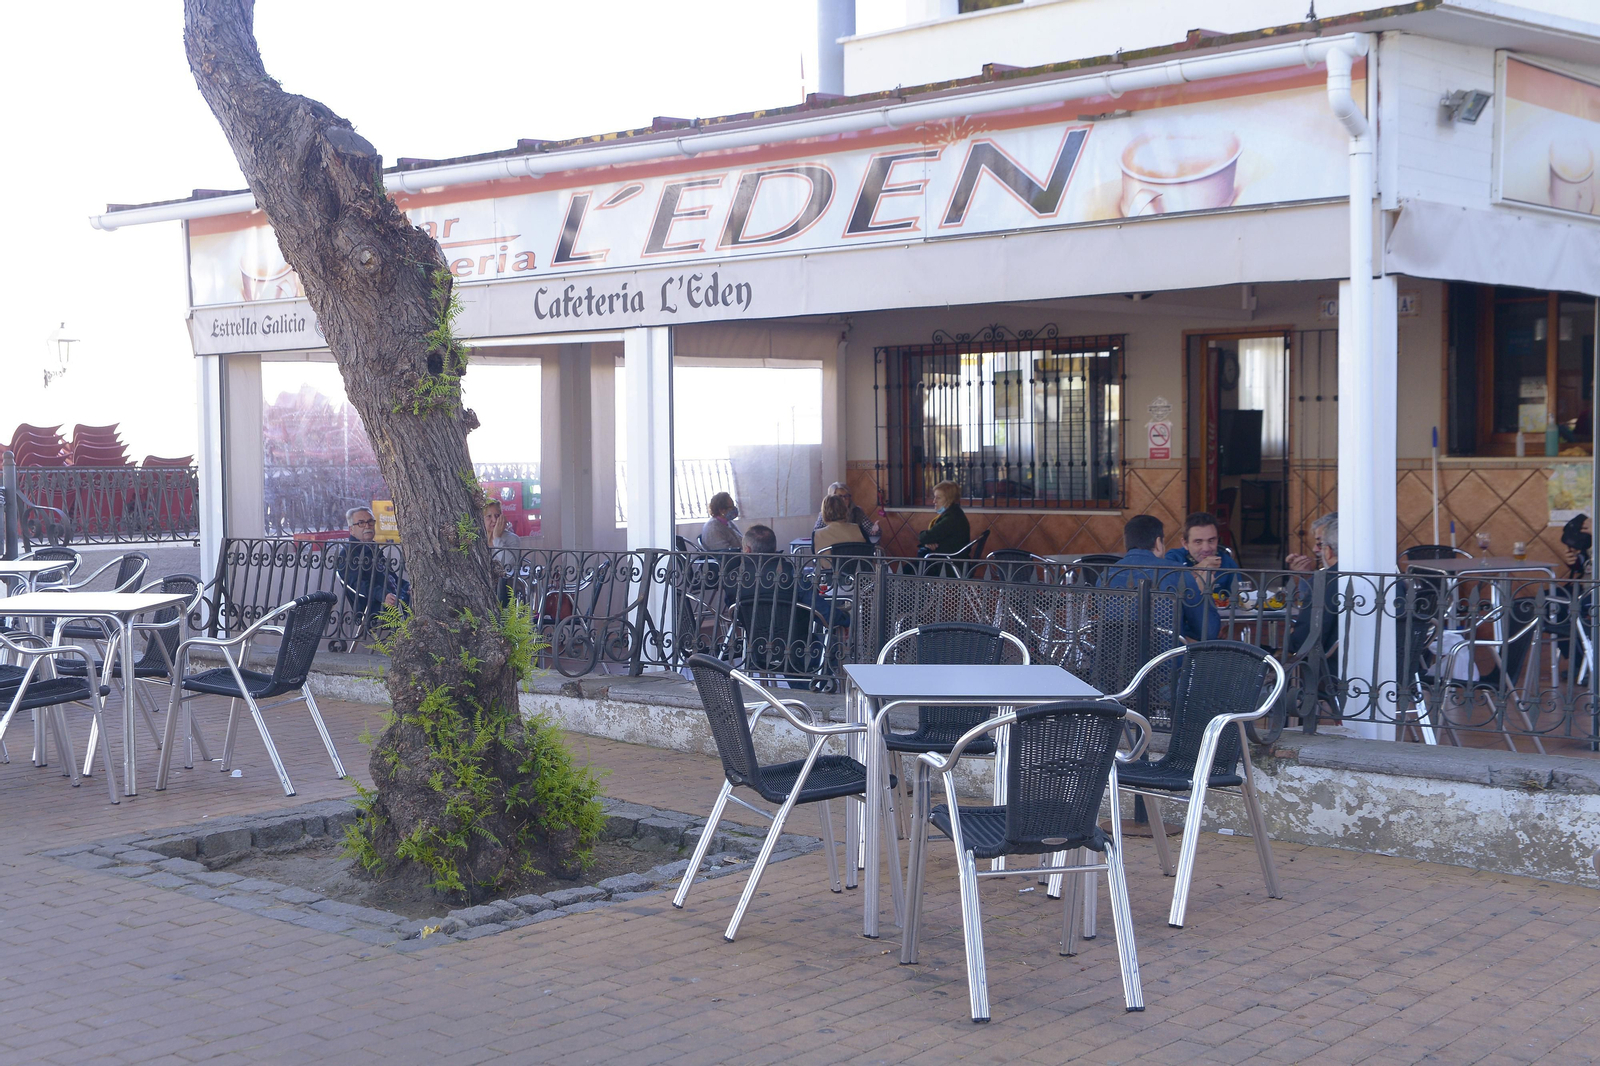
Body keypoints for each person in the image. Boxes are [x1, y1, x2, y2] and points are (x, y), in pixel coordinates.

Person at [1105, 514, 1214, 641]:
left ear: (1126, 543)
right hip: (1167, 659)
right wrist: (1205, 592)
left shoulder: (1106, 575)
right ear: (1158, 543)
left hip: (1117, 659)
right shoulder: (1177, 573)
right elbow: (1207, 631)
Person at [338, 505, 411, 616]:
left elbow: (392, 577)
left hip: (397, 596)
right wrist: (383, 595)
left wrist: (408, 587)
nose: (367, 526)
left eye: (370, 522)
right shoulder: (348, 554)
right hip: (373, 605)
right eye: (361, 523)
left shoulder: (373, 548)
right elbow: (357, 584)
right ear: (351, 530)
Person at [916, 481, 971, 557]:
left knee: (906, 568)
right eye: (934, 497)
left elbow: (925, 537)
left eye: (938, 498)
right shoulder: (955, 512)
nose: (934, 501)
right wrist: (929, 542)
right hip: (947, 559)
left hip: (946, 563)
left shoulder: (951, 518)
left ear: (950, 500)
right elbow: (930, 537)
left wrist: (927, 540)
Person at [813, 481, 880, 543]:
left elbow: (871, 530)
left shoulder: (857, 511)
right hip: (832, 546)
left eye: (846, 496)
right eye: (840, 496)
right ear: (832, 498)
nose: (844, 499)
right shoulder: (825, 514)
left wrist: (874, 530)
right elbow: (816, 533)